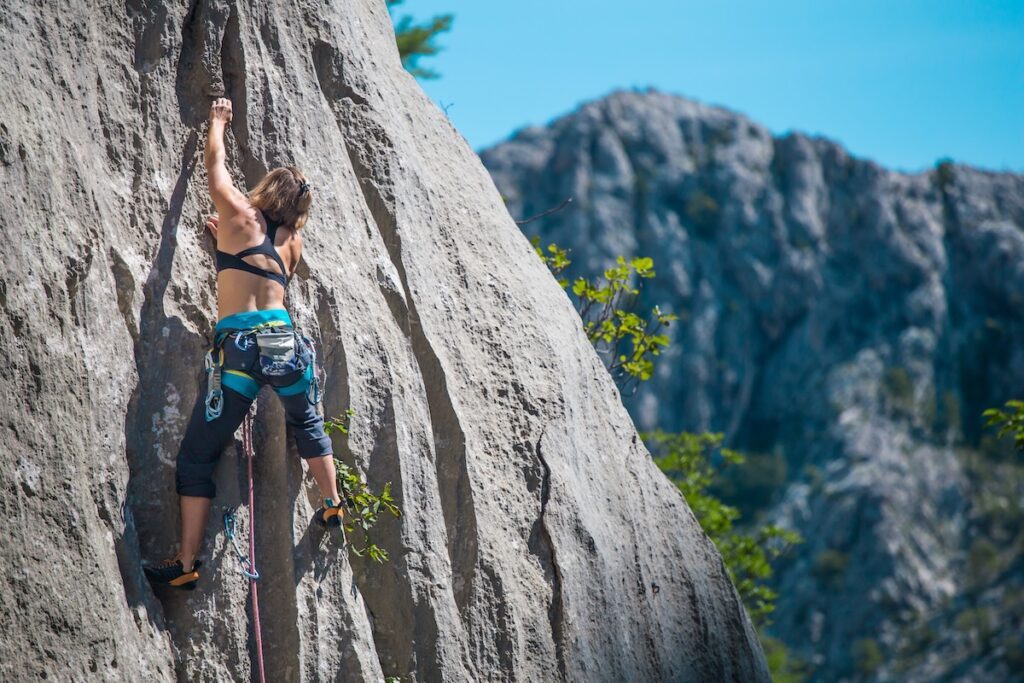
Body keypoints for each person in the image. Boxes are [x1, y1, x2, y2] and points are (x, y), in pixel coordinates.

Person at [144, 98, 344, 590]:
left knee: (197, 457)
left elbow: (215, 167)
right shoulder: (292, 243)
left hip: (240, 353)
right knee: (308, 423)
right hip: (285, 344)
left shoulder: (236, 213)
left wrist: (216, 120)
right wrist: (226, 247)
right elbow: (267, 276)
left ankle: (187, 562)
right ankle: (333, 503)